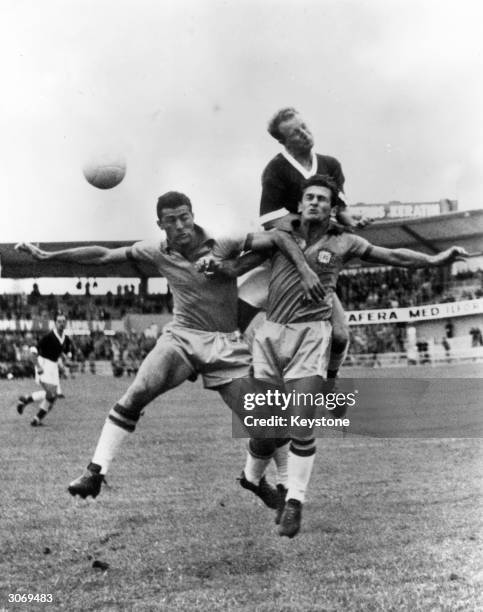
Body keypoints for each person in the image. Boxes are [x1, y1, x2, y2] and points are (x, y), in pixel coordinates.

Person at [15, 191, 325, 504]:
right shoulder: (158, 251)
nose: (180, 225)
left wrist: (300, 269)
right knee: (137, 393)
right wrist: (47, 256)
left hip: (225, 346)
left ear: (193, 215)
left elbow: (279, 239)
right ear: (160, 224)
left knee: (267, 429)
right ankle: (95, 472)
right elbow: (104, 255)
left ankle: (252, 479)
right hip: (182, 337)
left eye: (184, 217)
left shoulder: (224, 242)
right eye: (171, 221)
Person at [236, 174, 468, 538]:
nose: (314, 203)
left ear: (333, 209)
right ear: (300, 204)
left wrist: (437, 259)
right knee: (266, 431)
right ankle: (251, 478)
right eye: (309, 197)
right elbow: (240, 254)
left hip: (311, 337)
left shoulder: (344, 242)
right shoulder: (281, 233)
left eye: (322, 199)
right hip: (270, 336)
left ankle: (295, 500)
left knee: (301, 420)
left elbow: (393, 255)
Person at [238, 107, 369, 382]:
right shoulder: (276, 170)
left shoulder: (330, 164)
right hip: (286, 261)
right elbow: (273, 222)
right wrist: (318, 222)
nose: (305, 133)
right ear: (283, 141)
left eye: (304, 126)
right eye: (295, 132)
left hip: (317, 265)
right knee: (254, 322)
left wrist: (350, 218)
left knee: (342, 335)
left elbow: (340, 209)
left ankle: (330, 383)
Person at [16, 312, 73, 426]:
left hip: (53, 366)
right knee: (51, 394)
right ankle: (27, 403)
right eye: (59, 321)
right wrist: (38, 366)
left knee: (53, 396)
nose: (61, 324)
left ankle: (35, 418)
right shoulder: (48, 336)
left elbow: (66, 352)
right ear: (55, 323)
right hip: (44, 364)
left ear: (66, 323)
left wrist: (68, 359)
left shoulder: (65, 338)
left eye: (63, 321)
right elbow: (33, 352)